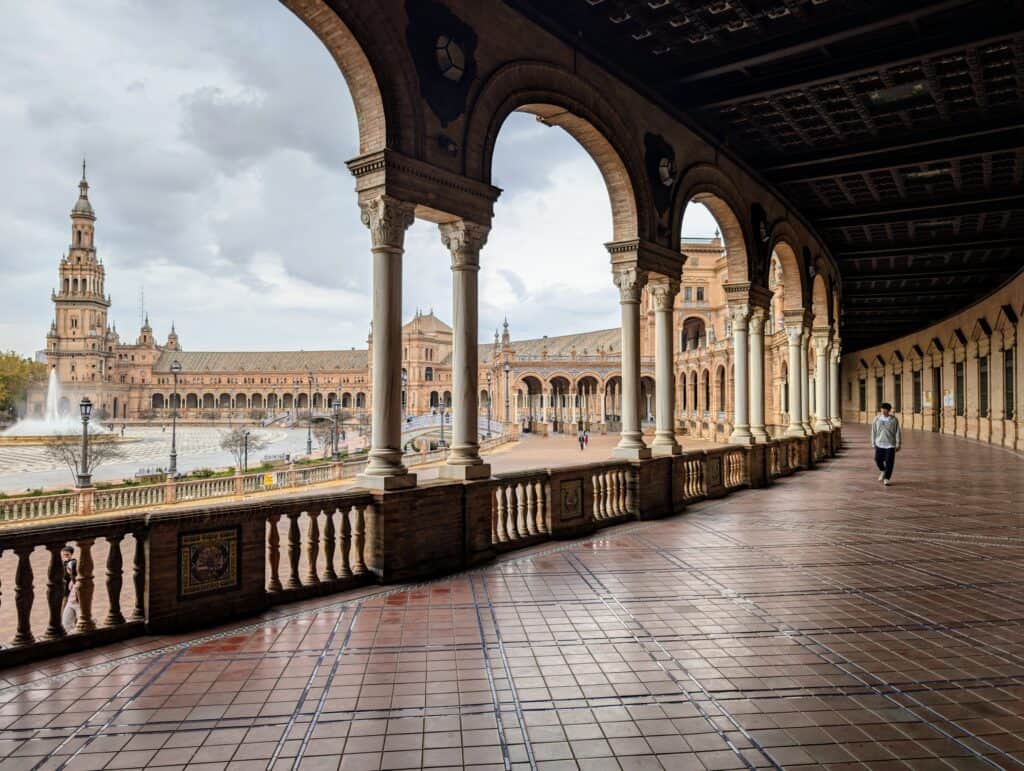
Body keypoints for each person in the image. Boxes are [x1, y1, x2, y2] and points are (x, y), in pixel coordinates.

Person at [871, 401, 901, 486]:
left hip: (890, 444)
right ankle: (883, 470)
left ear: (889, 411)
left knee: (889, 462)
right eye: (882, 410)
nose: (884, 411)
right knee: (877, 459)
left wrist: (898, 443)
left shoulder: (894, 420)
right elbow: (873, 431)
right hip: (879, 443)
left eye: (886, 410)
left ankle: (887, 478)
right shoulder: (876, 419)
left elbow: (897, 432)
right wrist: (873, 442)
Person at [62, 554, 80, 633]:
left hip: (79, 604)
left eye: (68, 569)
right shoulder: (71, 579)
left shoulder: (80, 579)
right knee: (66, 623)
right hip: (70, 603)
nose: (67, 570)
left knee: (82, 624)